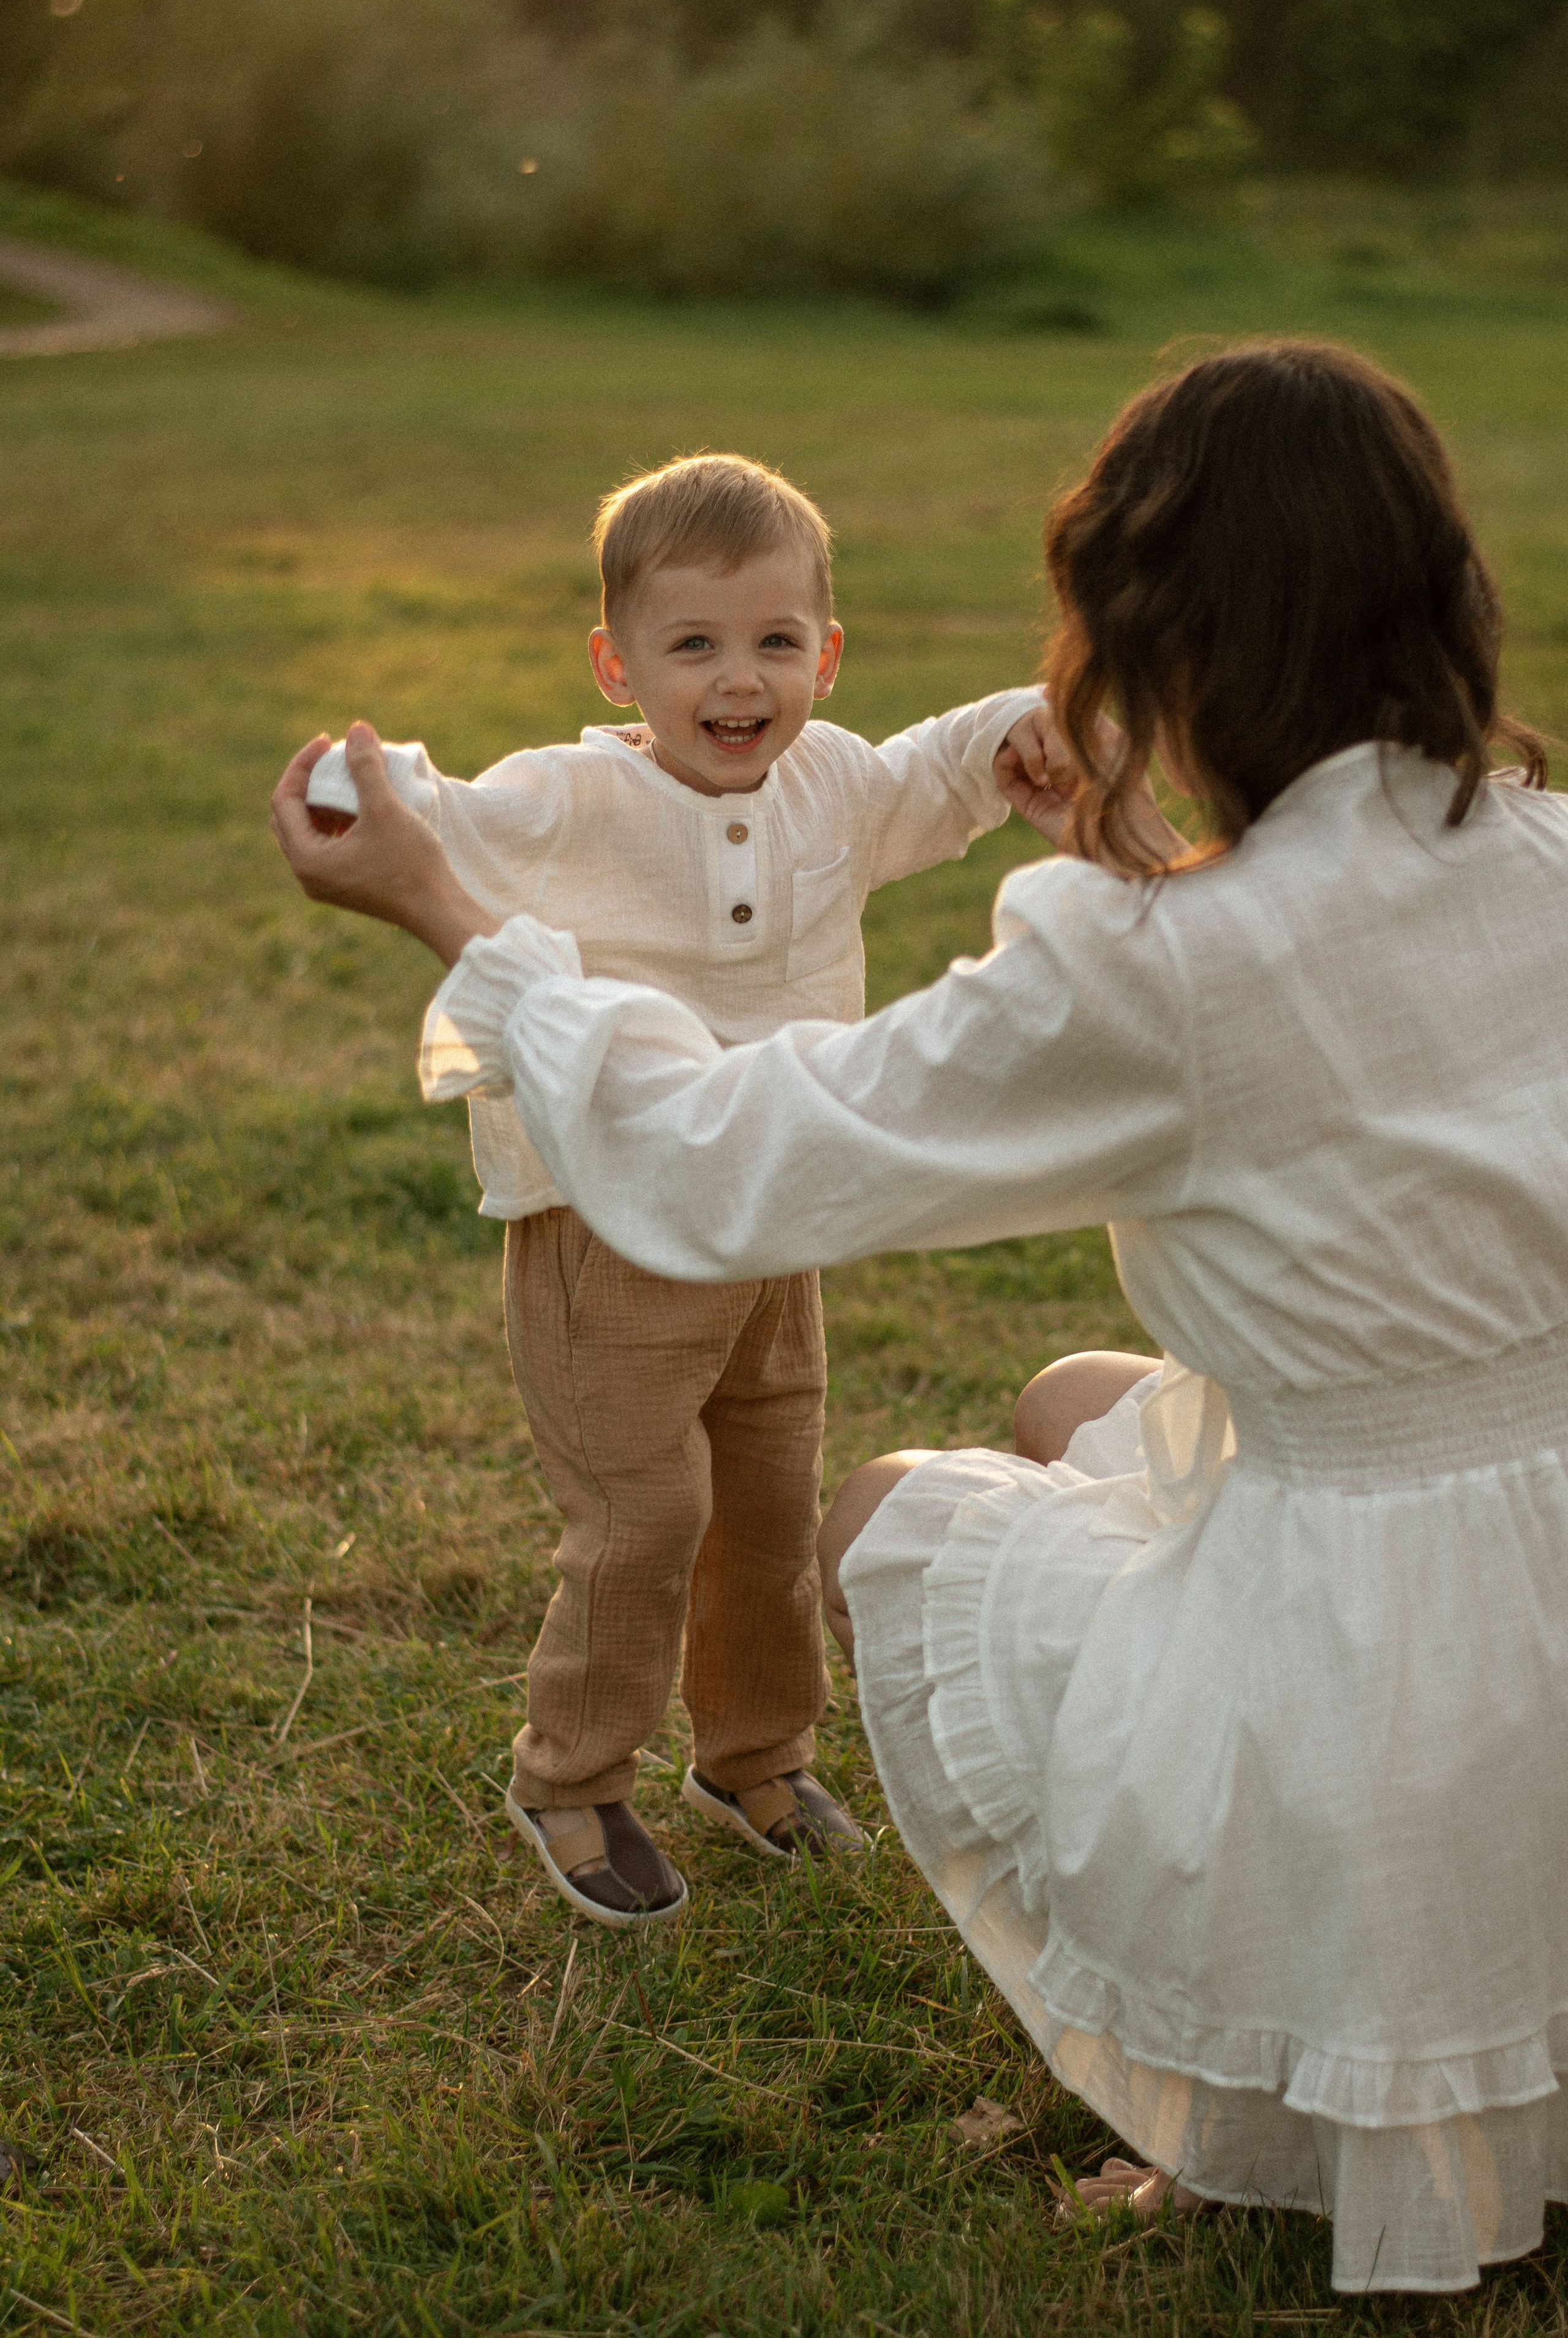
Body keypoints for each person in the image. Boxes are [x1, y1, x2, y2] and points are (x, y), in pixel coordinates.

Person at [272, 340, 1567, 2292]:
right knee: (1069, 1399)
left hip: (1398, 1646)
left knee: (878, 1510)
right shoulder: (1545, 847)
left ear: (1151, 635)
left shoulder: (1156, 966)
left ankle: (1252, 2065)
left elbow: (727, 1154)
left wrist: (456, 921)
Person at [284, 450, 1071, 1928]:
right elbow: (451, 818)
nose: (737, 678)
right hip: (609, 1225)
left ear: (825, 658)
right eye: (692, 644)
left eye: (775, 640)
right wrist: (362, 782)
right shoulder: (574, 796)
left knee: (766, 1511)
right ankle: (573, 1777)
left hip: (774, 1213)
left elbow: (936, 775)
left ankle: (754, 1756)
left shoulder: (835, 786)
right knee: (643, 1517)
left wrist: (1020, 726)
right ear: (618, 664)